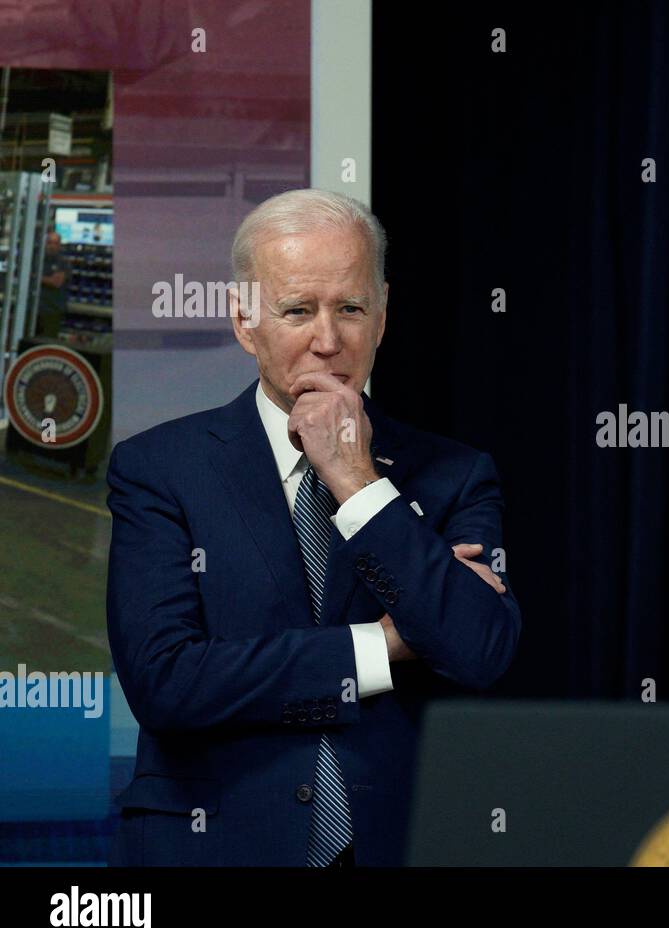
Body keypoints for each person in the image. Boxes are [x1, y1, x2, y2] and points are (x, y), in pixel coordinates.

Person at [106, 189, 522, 865]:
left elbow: (479, 647)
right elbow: (166, 682)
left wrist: (357, 483)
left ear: (381, 316)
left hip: (401, 842)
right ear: (246, 321)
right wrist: (382, 646)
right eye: (298, 310)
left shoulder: (455, 474)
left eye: (351, 309)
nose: (328, 341)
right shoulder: (159, 470)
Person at [37, 228, 68, 338]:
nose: (52, 246)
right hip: (35, 310)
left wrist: (35, 277)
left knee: (47, 343)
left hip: (52, 312)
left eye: (55, 243)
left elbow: (56, 282)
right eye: (49, 242)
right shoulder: (37, 259)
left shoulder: (63, 262)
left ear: (59, 245)